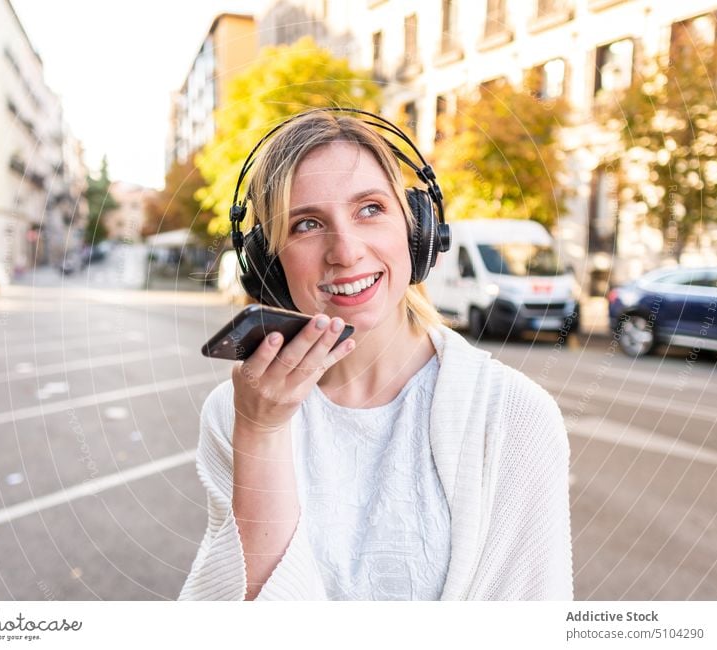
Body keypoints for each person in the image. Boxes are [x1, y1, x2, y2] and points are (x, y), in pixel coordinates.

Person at [179, 110, 573, 601]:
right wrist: (261, 433)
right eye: (306, 223)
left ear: (418, 231)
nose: (345, 251)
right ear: (269, 267)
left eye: (369, 209)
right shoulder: (235, 412)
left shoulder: (513, 414)